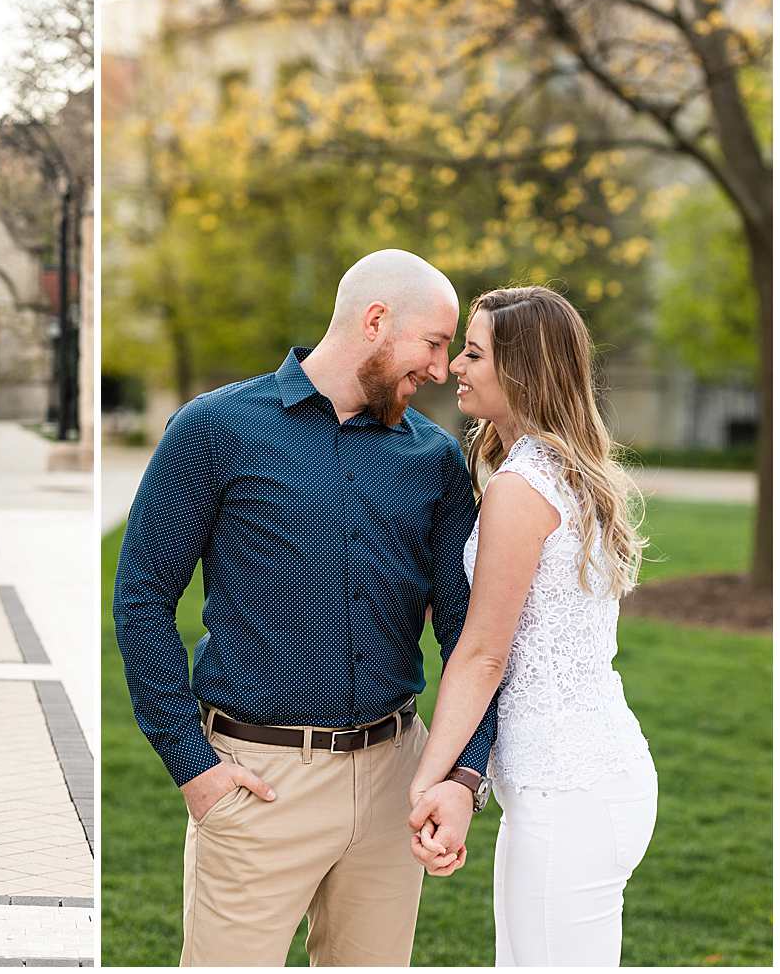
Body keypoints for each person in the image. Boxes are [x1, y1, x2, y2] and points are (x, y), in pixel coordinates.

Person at [113, 250, 497, 967]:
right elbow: (142, 599)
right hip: (258, 784)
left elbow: (471, 634)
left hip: (394, 783)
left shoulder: (435, 460)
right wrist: (193, 766)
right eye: (435, 344)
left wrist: (461, 773)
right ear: (376, 321)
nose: (441, 369)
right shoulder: (214, 428)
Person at [407, 286, 656, 965]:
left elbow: (485, 654)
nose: (456, 365)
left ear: (520, 370)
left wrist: (429, 783)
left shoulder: (523, 488)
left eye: (474, 353)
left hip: (567, 791)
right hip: (589, 780)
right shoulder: (559, 473)